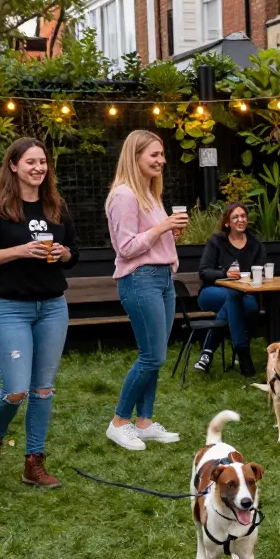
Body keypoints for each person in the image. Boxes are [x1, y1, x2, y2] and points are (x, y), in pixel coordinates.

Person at [0, 137, 79, 488]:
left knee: (43, 389)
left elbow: (75, 254)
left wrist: (62, 254)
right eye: (31, 162)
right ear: (13, 165)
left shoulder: (55, 207)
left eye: (43, 162)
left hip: (52, 307)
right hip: (10, 307)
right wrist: (18, 251)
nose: (39, 168)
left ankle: (34, 462)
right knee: (16, 389)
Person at [105, 130, 186, 451]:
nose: (161, 160)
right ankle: (119, 422)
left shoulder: (150, 193)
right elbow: (125, 248)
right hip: (141, 280)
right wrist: (162, 227)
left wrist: (169, 238)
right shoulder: (124, 196)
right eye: (154, 154)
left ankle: (144, 423)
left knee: (156, 356)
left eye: (162, 154)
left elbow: (149, 239)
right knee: (151, 356)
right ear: (134, 156)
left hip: (162, 279)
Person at [192, 202, 266, 377]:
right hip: (211, 292)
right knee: (237, 299)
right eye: (235, 217)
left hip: (245, 294)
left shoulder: (255, 244)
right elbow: (204, 272)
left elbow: (260, 272)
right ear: (227, 222)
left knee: (242, 303)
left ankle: (207, 352)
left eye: (243, 216)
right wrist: (225, 273)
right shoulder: (216, 242)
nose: (241, 220)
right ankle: (243, 354)